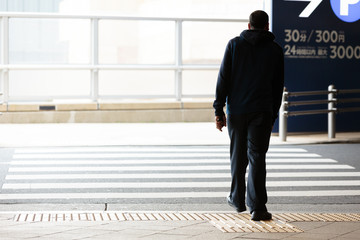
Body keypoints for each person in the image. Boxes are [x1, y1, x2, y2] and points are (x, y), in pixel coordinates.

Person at [213, 10, 284, 221]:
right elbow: (277, 87)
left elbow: (223, 79)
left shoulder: (234, 45)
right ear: (267, 26)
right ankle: (258, 207)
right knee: (257, 157)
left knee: (238, 156)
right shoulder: (275, 50)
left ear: (249, 25)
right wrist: (272, 117)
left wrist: (219, 111)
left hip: (236, 112)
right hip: (261, 112)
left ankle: (237, 199)